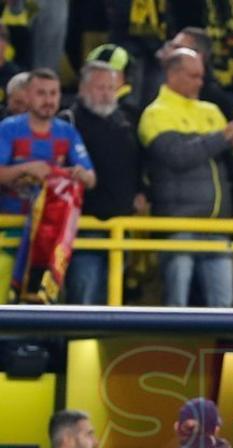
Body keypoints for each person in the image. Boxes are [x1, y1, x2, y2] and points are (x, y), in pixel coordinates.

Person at [138, 48, 233, 307]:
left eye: (201, 76)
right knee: (175, 307)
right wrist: (222, 137)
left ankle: (219, 349)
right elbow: (177, 157)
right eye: (193, 76)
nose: (200, 82)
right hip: (179, 227)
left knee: (225, 310)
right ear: (173, 74)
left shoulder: (211, 110)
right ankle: (170, 348)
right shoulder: (156, 113)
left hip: (217, 226)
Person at [62, 61, 144, 305]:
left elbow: (137, 163)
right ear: (82, 88)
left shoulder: (124, 121)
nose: (107, 94)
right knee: (83, 299)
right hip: (83, 227)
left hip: (120, 226)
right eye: (100, 87)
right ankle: (74, 343)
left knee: (111, 303)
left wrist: (141, 190)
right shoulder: (68, 121)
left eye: (111, 87)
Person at [0, 68, 96, 214]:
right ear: (28, 95)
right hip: (10, 223)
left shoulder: (67, 132)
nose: (48, 100)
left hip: (52, 224)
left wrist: (82, 175)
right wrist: (26, 168)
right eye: (41, 93)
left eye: (53, 93)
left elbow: (91, 178)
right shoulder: (8, 128)